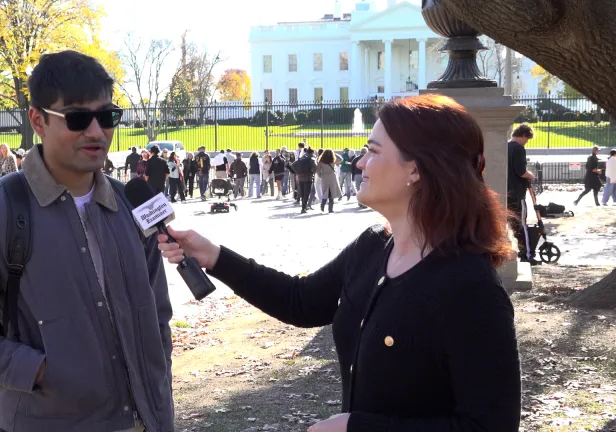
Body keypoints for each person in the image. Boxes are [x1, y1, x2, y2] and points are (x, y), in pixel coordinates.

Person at [160, 95, 521, 432]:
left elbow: (489, 425)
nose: (360, 162)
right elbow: (300, 301)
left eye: (373, 151)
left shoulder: (471, 289)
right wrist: (215, 256)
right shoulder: (373, 247)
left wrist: (356, 427)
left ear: (416, 169)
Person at [0, 50, 173, 432]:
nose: (95, 131)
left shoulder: (131, 206)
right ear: (37, 120)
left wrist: (157, 376)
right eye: (77, 117)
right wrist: (37, 370)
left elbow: (157, 316)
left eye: (106, 117)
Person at [506, 124, 537, 264]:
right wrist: (530, 176)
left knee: (511, 223)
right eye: (527, 139)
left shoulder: (505, 146)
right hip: (518, 193)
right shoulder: (518, 149)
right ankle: (527, 254)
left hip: (507, 191)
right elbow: (520, 171)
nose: (527, 142)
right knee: (521, 224)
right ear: (524, 135)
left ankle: (517, 251)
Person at [317, 149, 340, 213]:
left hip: (325, 177)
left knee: (325, 192)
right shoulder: (333, 160)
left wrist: (320, 175)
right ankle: (330, 209)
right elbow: (341, 159)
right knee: (331, 193)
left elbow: (318, 170)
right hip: (332, 177)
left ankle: (322, 204)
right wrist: (334, 153)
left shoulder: (321, 161)